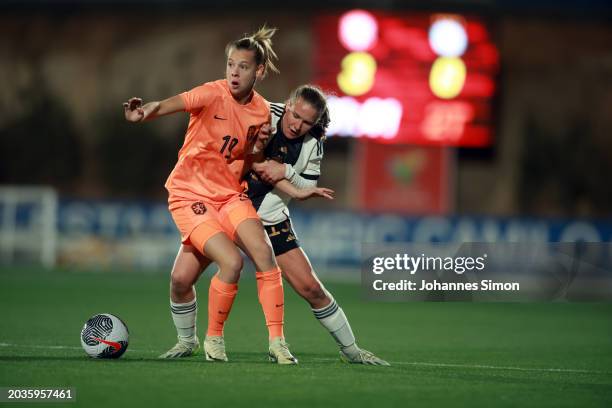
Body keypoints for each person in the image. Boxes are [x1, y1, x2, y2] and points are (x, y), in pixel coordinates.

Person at [123, 26, 299, 364]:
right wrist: (142, 113)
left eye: (243, 66)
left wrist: (259, 151)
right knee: (226, 264)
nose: (234, 72)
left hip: (230, 196)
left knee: (261, 256)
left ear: (259, 71)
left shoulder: (262, 112)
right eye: (230, 64)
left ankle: (278, 343)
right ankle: (209, 340)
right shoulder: (211, 93)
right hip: (190, 195)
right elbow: (168, 104)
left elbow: (247, 161)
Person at [248, 85, 389, 366]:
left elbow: (308, 185)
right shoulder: (263, 113)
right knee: (184, 276)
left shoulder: (313, 143)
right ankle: (187, 342)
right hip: (230, 209)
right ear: (287, 104)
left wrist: (285, 170)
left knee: (311, 288)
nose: (297, 125)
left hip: (272, 220)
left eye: (307, 122)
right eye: (295, 115)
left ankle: (352, 351)